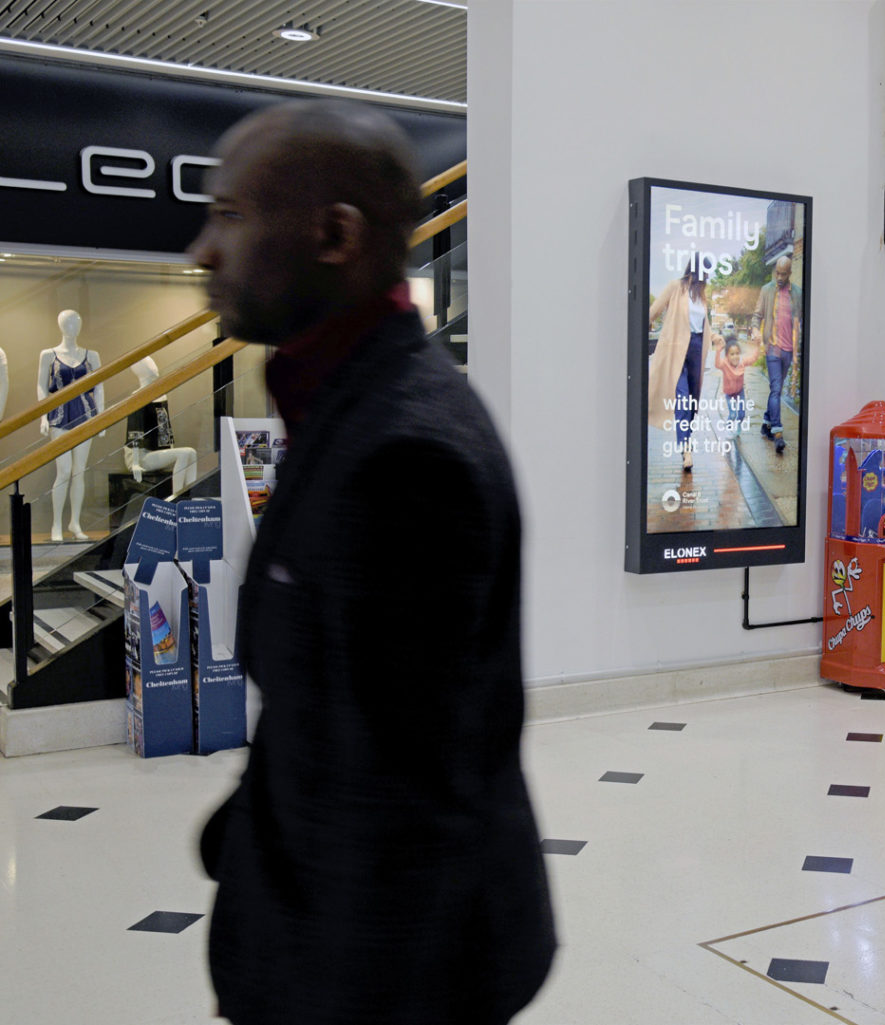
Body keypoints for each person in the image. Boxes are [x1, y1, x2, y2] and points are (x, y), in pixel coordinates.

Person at [187, 99, 555, 1025]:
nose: (201, 250)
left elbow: (401, 808)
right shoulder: (343, 404)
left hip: (392, 977)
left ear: (334, 235)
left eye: (230, 216)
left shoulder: (404, 458)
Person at [38, 309, 105, 542]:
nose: (72, 327)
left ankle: (75, 522)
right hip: (58, 415)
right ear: (60, 325)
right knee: (64, 470)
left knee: (79, 471)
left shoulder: (92, 355)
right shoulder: (48, 354)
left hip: (85, 414)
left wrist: (101, 418)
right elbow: (42, 387)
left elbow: (99, 386)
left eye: (75, 322)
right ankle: (56, 524)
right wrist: (43, 416)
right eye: (67, 323)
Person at [648, 262, 717, 471]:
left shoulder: (701, 296)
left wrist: (715, 337)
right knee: (682, 400)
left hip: (696, 349)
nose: (706, 276)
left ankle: (685, 440)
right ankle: (685, 449)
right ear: (695, 270)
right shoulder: (675, 287)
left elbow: (704, 325)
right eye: (704, 271)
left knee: (691, 403)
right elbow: (654, 311)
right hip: (677, 350)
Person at [123, 357, 199, 499]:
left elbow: (165, 427)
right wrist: (134, 463)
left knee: (192, 453)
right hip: (140, 454)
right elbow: (134, 431)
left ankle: (191, 496)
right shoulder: (137, 397)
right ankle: (176, 498)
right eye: (148, 364)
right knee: (184, 453)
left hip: (156, 451)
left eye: (152, 363)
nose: (154, 366)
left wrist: (170, 450)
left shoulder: (161, 395)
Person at [751, 255, 801, 455]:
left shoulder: (797, 293)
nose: (779, 277)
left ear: (790, 273)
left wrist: (797, 355)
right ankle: (778, 434)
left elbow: (798, 323)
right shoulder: (767, 290)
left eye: (783, 273)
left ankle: (766, 423)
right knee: (775, 388)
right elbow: (757, 316)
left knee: (776, 391)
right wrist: (755, 330)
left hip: (788, 351)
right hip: (773, 348)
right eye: (777, 273)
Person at [712, 331, 757, 436]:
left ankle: (738, 426)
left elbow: (753, 359)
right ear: (727, 355)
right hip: (729, 394)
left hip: (739, 392)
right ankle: (728, 429)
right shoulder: (724, 363)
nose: (735, 356)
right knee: (732, 414)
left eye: (737, 353)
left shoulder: (741, 362)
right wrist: (718, 351)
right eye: (732, 354)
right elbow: (717, 364)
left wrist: (757, 346)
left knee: (741, 414)